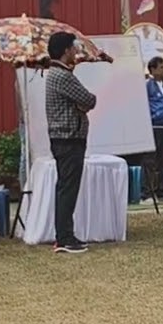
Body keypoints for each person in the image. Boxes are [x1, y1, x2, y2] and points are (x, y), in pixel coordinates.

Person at [45, 31, 98, 253]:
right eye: (74, 48)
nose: (76, 51)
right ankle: (65, 237)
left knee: (65, 187)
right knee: (68, 188)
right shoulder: (62, 76)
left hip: (62, 137)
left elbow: (82, 102)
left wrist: (80, 105)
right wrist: (82, 105)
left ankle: (64, 234)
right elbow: (89, 99)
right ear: (66, 50)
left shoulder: (56, 73)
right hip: (69, 138)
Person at [144, 56, 163, 203]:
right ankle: (147, 193)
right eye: (161, 67)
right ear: (153, 69)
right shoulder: (148, 85)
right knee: (151, 160)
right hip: (153, 126)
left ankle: (161, 192)